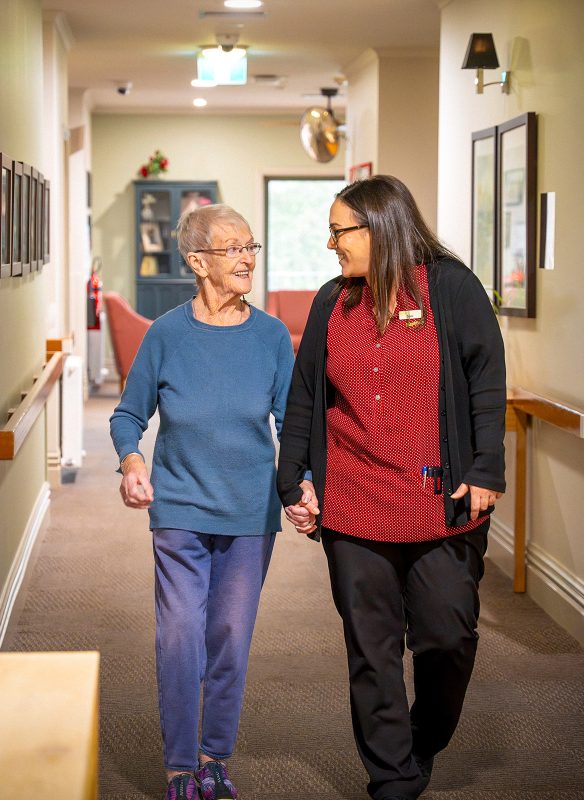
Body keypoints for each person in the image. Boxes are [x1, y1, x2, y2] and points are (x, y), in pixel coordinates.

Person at [277, 175, 506, 800]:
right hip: (352, 499)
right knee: (371, 650)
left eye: (340, 230)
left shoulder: (452, 288)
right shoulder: (331, 302)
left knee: (447, 636)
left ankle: (421, 739)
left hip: (441, 501)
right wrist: (291, 477)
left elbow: (486, 380)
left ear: (380, 227)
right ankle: (393, 776)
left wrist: (487, 467)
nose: (331, 244)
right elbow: (305, 397)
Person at [110, 204, 294, 800]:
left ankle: (215, 756)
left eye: (250, 247)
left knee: (230, 638)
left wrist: (305, 482)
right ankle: (179, 766)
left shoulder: (270, 337)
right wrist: (133, 461)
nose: (246, 258)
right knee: (180, 636)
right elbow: (128, 413)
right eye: (232, 248)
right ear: (197, 262)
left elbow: (294, 423)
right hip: (181, 509)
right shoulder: (166, 334)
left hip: (249, 514)